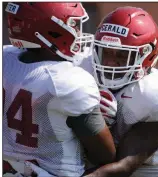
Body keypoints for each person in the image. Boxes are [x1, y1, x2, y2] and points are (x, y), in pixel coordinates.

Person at [3, 2, 116, 177]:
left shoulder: (5, 58)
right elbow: (104, 155)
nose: (79, 32)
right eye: (74, 25)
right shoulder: (68, 80)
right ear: (51, 31)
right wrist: (106, 121)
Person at [84, 6, 158, 177]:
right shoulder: (83, 67)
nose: (111, 62)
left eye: (121, 55)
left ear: (146, 55)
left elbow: (123, 167)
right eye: (106, 52)